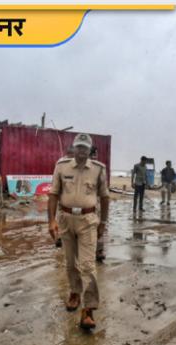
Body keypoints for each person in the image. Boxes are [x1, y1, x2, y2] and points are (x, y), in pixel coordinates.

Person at [48, 133, 109, 330]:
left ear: (90, 150)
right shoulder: (62, 166)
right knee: (69, 263)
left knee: (88, 265)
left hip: (88, 221)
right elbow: (54, 194)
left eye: (85, 148)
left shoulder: (99, 170)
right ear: (73, 148)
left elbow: (105, 197)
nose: (81, 151)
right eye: (78, 147)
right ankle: (74, 293)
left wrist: (103, 223)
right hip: (65, 220)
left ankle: (88, 310)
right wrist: (51, 221)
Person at [55, 146, 76, 248]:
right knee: (62, 215)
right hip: (64, 194)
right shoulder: (61, 163)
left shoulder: (62, 162)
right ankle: (60, 237)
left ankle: (64, 236)